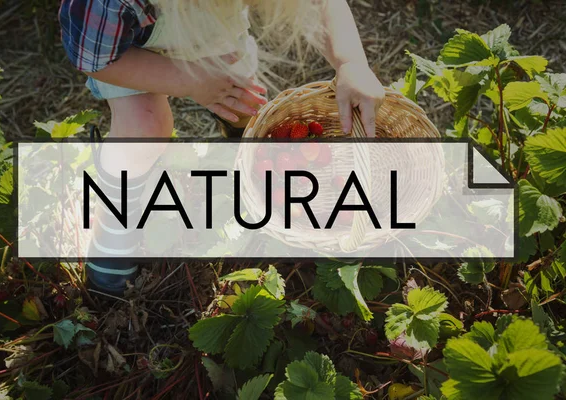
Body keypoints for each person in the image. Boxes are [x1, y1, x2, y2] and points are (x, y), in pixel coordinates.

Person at [59, 0, 385, 294]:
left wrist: (349, 63)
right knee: (145, 128)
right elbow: (95, 58)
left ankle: (252, 188)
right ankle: (114, 227)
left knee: (246, 105)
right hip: (125, 51)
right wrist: (189, 82)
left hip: (208, 30)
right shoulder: (109, 3)